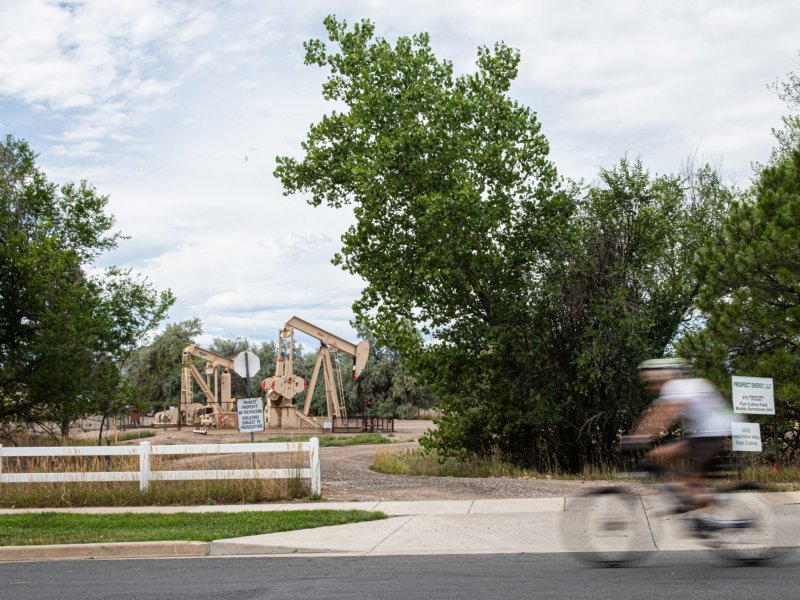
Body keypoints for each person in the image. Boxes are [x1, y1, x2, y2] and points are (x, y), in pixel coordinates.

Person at [623, 358, 741, 514]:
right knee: (688, 475)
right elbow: (657, 414)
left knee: (657, 455)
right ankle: (698, 499)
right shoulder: (685, 385)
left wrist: (638, 437)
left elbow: (664, 417)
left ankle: (694, 498)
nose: (650, 387)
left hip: (711, 432)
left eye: (651, 381)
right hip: (715, 431)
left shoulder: (674, 386)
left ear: (662, 376)